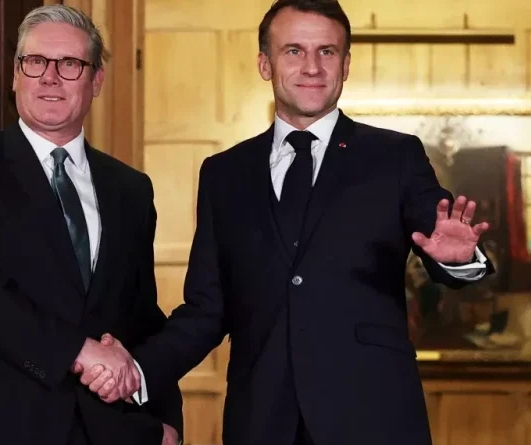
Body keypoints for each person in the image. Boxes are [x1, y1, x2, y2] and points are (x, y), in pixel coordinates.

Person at [78, 1, 495, 444]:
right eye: (294, 51)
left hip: (372, 417)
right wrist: (138, 370)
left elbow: (441, 235)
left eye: (327, 51)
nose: (312, 66)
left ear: (345, 64)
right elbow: (207, 310)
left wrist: (459, 258)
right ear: (265, 63)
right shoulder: (224, 174)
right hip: (262, 420)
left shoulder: (395, 157)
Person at [0, 5, 182, 445]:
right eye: (35, 61)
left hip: (104, 432)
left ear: (97, 80)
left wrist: (166, 421)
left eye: (70, 64)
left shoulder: (130, 189)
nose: (50, 77)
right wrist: (79, 352)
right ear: (16, 75)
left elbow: (142, 315)